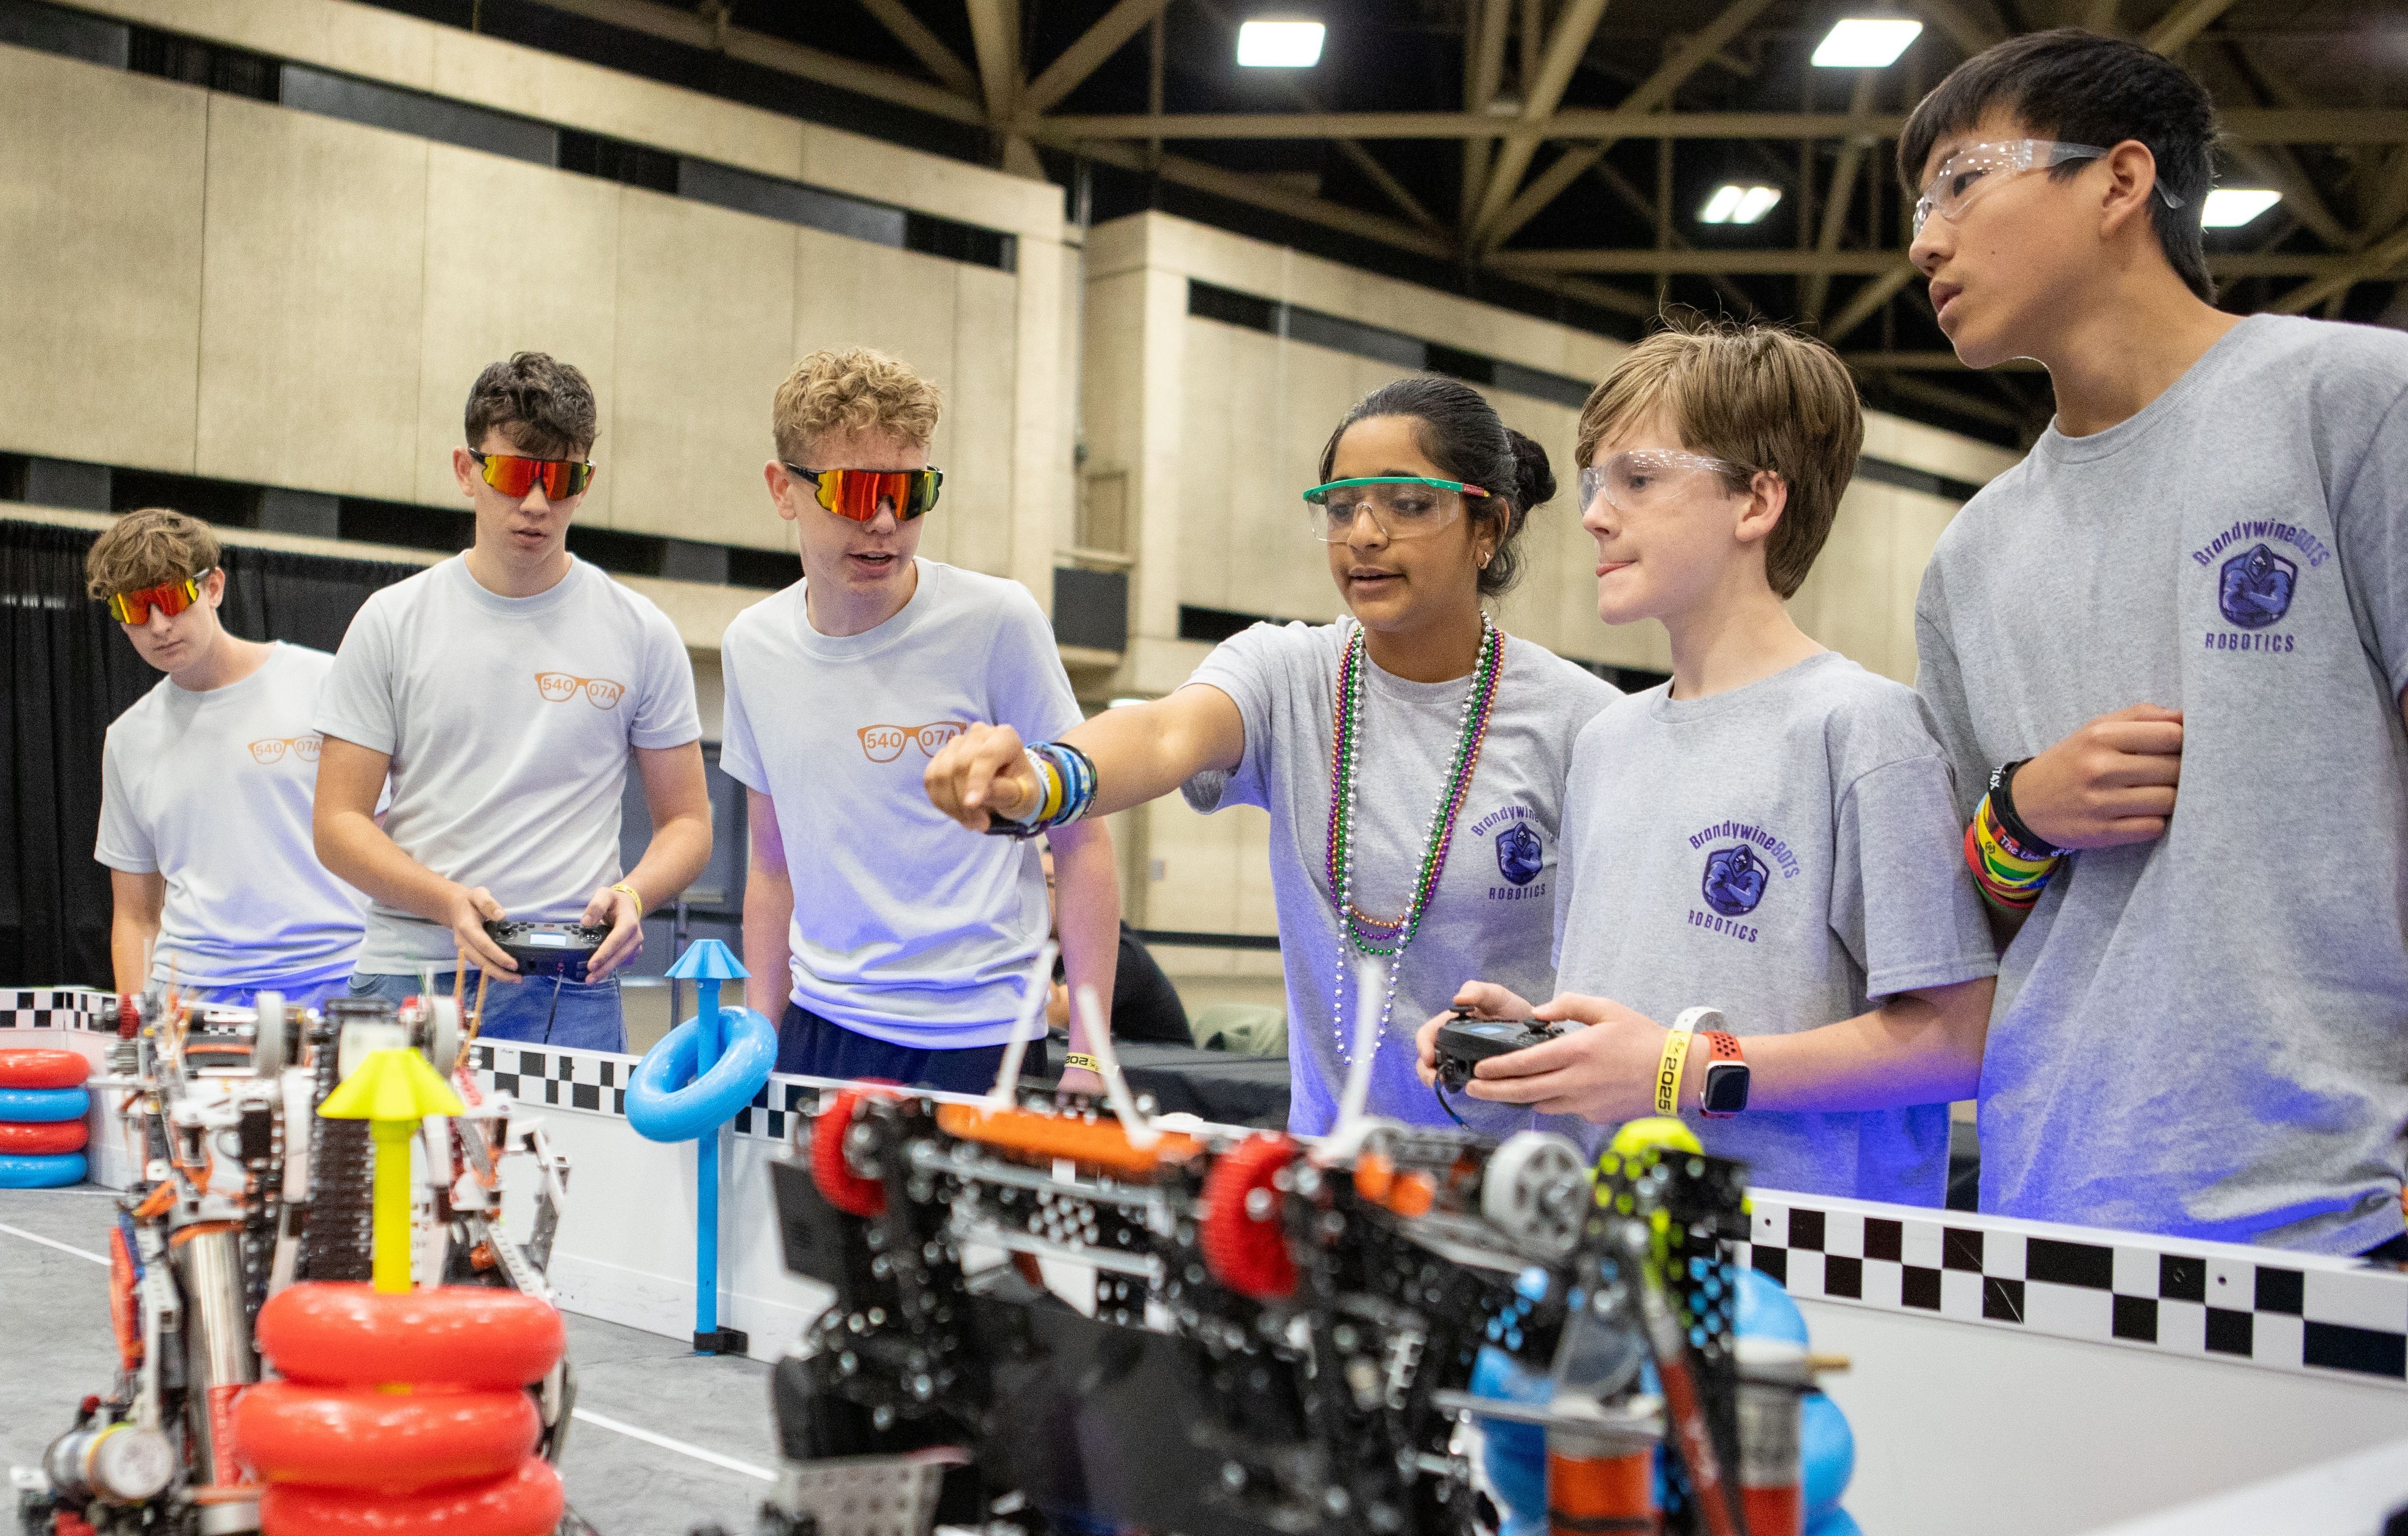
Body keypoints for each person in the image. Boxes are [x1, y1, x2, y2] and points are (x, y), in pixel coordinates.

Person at [1899, 31, 2408, 1252]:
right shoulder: (1970, 555)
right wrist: (2019, 817)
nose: (1922, 242)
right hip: (2052, 1202)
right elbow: (1972, 920)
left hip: (2336, 1206)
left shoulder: (2349, 401)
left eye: (1959, 182)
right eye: (1917, 207)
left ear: (2119, 180)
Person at [927, 376, 1619, 1137]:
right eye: (1341, 507)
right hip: (1326, 1171)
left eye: (1407, 504)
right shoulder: (1286, 673)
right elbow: (1162, 733)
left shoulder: (1583, 724)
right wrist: (1042, 777)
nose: (1363, 534)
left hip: (1526, 1178)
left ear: (1488, 527)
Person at [1412, 321, 1997, 1206]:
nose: (1593, 514)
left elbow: (1954, 1041)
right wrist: (1537, 1041)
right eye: (1593, 482)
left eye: (1638, 479)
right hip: (1611, 1240)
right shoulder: (1605, 742)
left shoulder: (1862, 730)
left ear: (1754, 502)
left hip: (1795, 1261)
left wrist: (1679, 1071)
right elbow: (1634, 1026)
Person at [724, 348, 1116, 1095]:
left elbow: (1083, 840)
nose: (884, 522)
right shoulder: (753, 645)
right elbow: (771, 867)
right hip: (820, 1024)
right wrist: (759, 1042)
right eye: (853, 492)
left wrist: (1090, 1055)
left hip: (981, 1036)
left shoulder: (996, 621)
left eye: (909, 494)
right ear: (783, 489)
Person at [313, 353, 711, 1049]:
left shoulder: (640, 631)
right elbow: (337, 823)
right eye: (513, 474)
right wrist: (447, 901)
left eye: (559, 480)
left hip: (572, 980)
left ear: (585, 483)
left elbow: (688, 822)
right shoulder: (392, 621)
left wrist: (634, 894)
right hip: (415, 971)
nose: (535, 504)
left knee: (575, 1135)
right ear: (466, 470)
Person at [89, 509, 366, 1011]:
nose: (159, 625)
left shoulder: (323, 684)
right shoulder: (128, 738)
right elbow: (134, 915)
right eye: (135, 609)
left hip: (335, 974)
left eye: (172, 599)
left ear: (213, 587)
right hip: (194, 993)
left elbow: (387, 837)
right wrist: (137, 1021)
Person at [1040, 844, 1190, 1047]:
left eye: (1047, 884)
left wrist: (1026, 935)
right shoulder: (1057, 948)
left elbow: (1053, 1015)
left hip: (1162, 1065)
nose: (1032, 896)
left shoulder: (1118, 952)